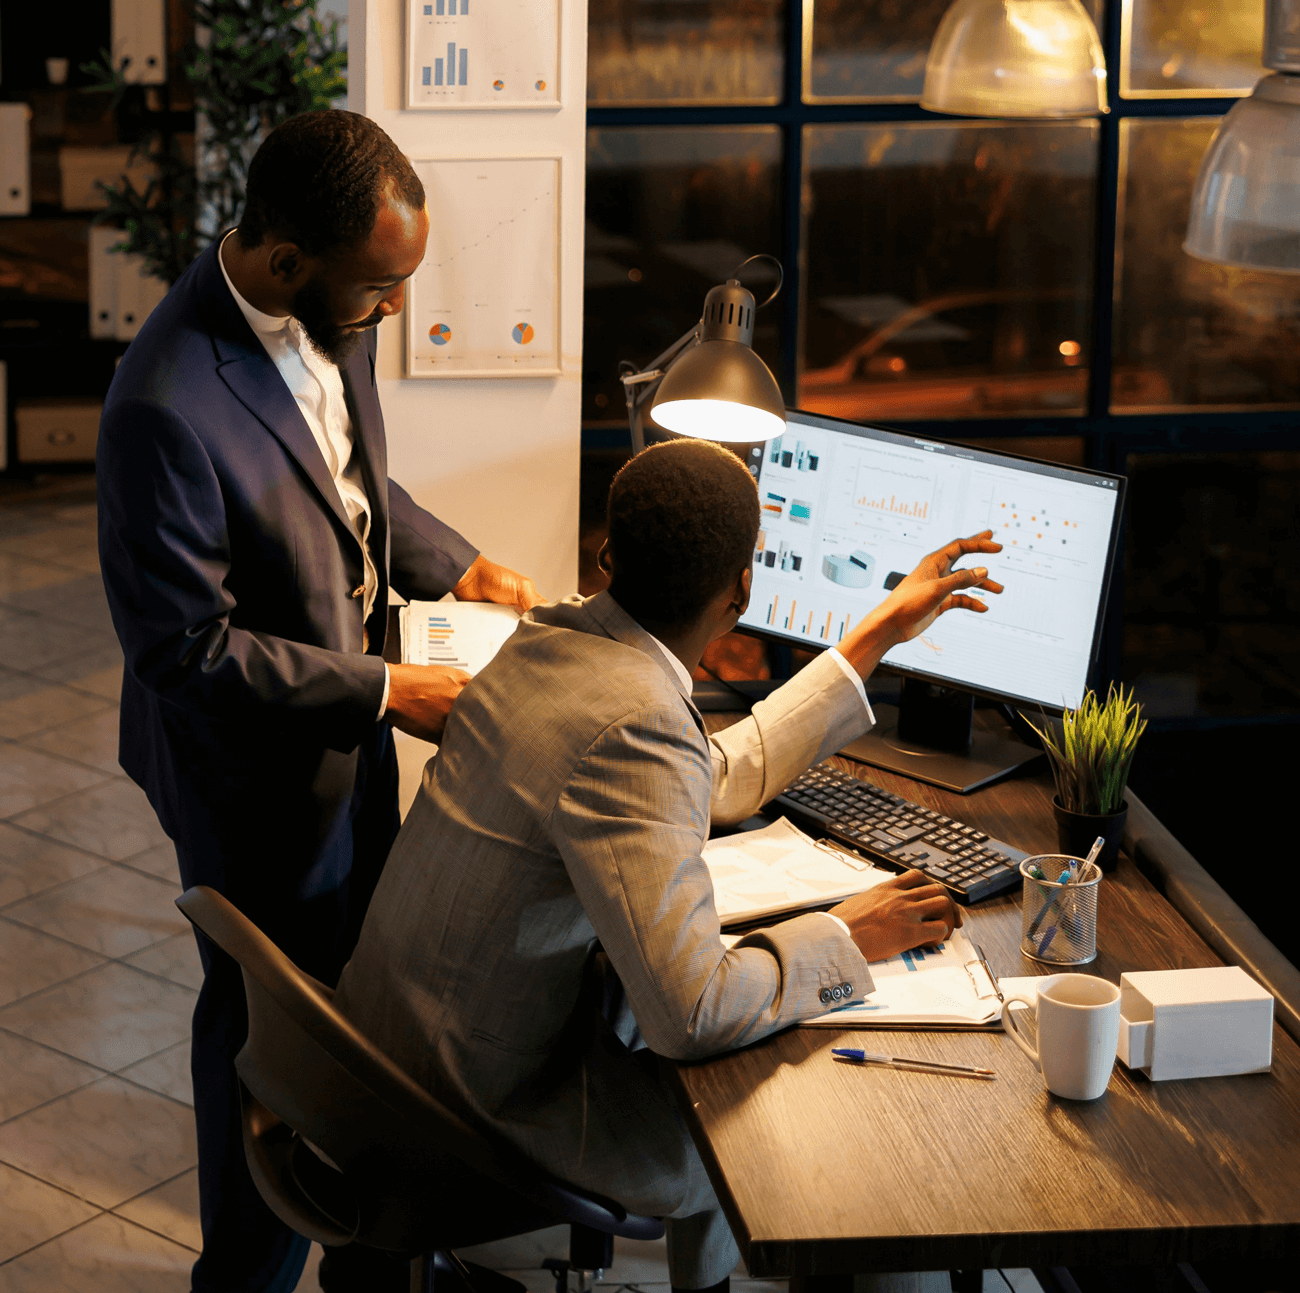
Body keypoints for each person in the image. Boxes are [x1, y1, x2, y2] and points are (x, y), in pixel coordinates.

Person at [335, 439, 1004, 1292]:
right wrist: (844, 936)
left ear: (608, 557)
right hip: (473, 1104)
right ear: (741, 593)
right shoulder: (637, 722)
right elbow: (692, 1012)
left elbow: (706, 773)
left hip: (385, 1049)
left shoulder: (548, 640)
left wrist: (875, 633)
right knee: (757, 1107)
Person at [96, 110, 541, 1293]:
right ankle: (244, 1279)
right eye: (382, 289)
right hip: (250, 775)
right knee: (271, 1039)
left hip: (345, 733)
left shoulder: (330, 314)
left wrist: (456, 566)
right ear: (288, 259)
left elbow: (343, 477)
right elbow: (183, 652)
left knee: (360, 1012)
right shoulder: (160, 404)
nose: (396, 309)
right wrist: (387, 688)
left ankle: (373, 1267)